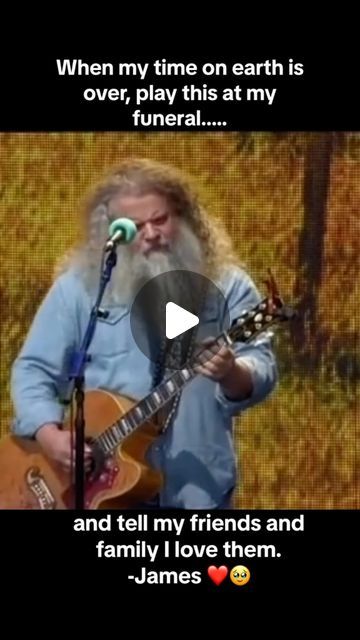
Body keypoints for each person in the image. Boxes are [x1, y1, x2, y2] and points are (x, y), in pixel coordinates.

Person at [10, 158, 278, 509]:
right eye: (135, 226)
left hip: (195, 491)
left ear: (184, 217)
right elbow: (34, 371)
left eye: (160, 220)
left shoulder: (226, 287)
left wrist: (232, 372)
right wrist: (48, 436)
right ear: (110, 232)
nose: (151, 234)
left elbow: (262, 368)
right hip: (100, 495)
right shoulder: (79, 289)